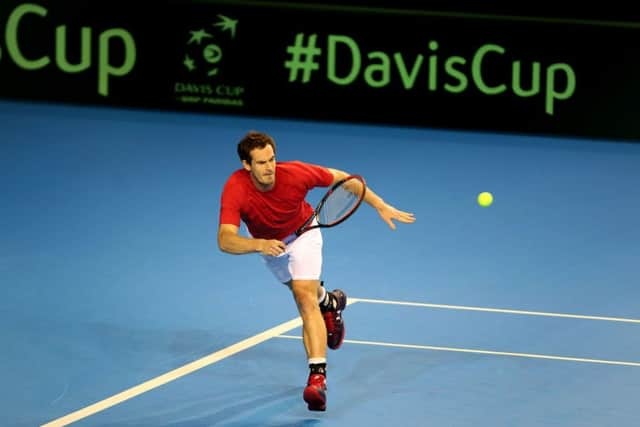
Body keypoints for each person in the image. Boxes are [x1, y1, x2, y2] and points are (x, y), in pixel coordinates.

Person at [217, 131, 415, 411]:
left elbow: (345, 179)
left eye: (272, 159)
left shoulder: (296, 173)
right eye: (261, 163)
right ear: (246, 165)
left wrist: (380, 205)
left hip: (304, 233)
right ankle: (330, 302)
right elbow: (225, 240)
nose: (270, 167)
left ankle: (317, 378)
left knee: (303, 296)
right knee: (304, 292)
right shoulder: (235, 187)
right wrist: (259, 244)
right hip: (269, 245)